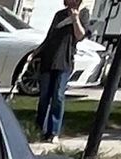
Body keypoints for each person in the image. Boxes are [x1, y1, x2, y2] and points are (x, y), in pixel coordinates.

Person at [33, 0, 90, 145]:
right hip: (48, 59)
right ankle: (39, 129)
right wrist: (36, 52)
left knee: (58, 96)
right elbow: (49, 38)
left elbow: (80, 36)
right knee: (44, 96)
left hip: (64, 61)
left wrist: (75, 19)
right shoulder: (59, 15)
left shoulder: (83, 14)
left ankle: (54, 132)